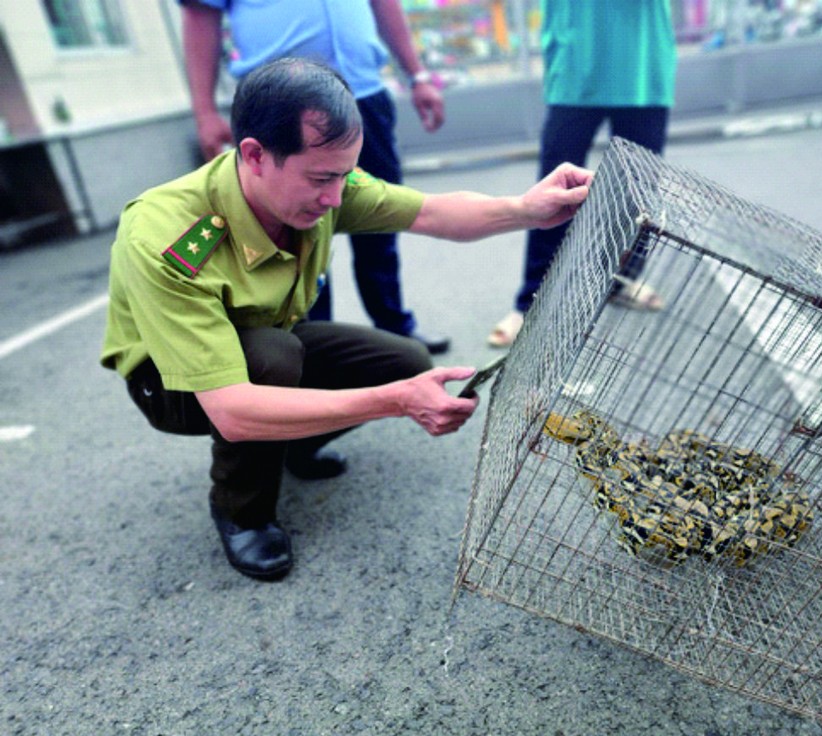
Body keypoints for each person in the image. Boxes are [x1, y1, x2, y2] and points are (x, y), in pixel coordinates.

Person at [100, 58, 592, 582]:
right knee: (274, 359)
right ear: (255, 155)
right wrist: (396, 402)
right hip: (171, 381)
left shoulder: (327, 182)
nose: (335, 197)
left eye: (343, 175)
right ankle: (241, 511)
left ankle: (292, 442)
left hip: (269, 341)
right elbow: (233, 411)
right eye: (320, 179)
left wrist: (525, 209)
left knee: (402, 360)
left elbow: (429, 212)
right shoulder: (165, 234)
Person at [181, 0, 452, 355]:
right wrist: (204, 112)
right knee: (292, 229)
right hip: (280, 108)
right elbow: (201, 16)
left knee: (381, 221)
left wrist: (416, 75)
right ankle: (305, 348)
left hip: (363, 93)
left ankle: (394, 329)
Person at [487, 0, 678, 347]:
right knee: (554, 193)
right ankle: (532, 300)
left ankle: (623, 278)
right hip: (576, 64)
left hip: (643, 63)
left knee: (637, 188)